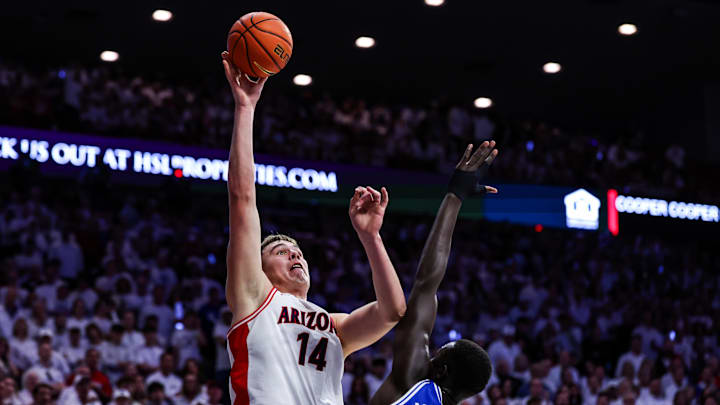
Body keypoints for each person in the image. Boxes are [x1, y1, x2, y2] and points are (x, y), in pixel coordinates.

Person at [220, 52, 407, 404]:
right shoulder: (254, 298)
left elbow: (393, 311)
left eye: (297, 252)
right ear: (256, 269)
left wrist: (371, 237)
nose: (294, 253)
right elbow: (242, 197)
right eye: (280, 251)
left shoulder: (334, 327)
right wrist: (245, 108)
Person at [370, 142, 498, 405]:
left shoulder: (415, 381)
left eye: (435, 355)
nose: (428, 355)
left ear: (441, 371)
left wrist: (455, 196)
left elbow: (426, 284)